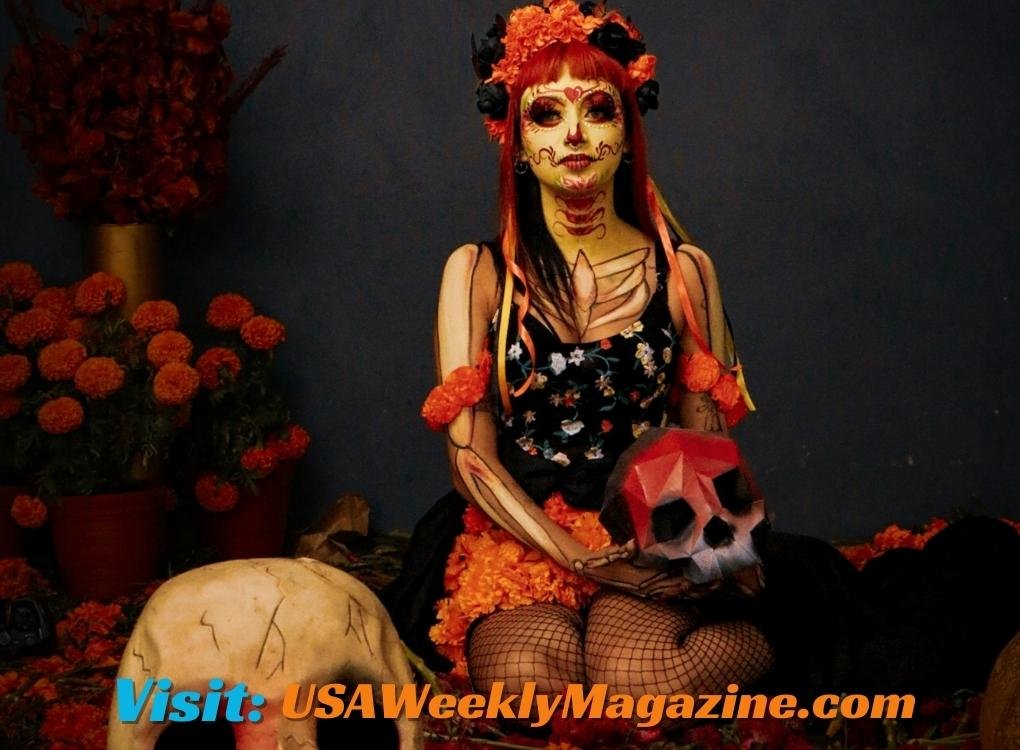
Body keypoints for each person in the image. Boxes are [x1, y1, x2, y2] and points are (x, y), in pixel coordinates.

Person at [385, 0, 1020, 700]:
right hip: (526, 537)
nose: (572, 134)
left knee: (638, 681)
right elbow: (469, 456)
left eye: (596, 109)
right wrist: (579, 558)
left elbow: (703, 435)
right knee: (532, 687)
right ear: (515, 139)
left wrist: (708, 550)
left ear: (626, 131)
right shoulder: (476, 274)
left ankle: (787, 639)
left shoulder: (684, 271)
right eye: (545, 114)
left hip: (655, 535)